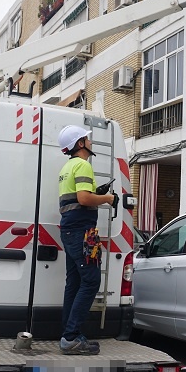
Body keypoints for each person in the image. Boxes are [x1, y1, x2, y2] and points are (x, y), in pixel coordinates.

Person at [57, 125, 118, 355]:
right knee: (91, 281)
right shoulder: (83, 165)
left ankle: (68, 333)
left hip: (70, 230)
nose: (90, 142)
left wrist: (96, 194)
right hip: (82, 231)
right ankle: (71, 337)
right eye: (87, 139)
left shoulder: (67, 167)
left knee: (74, 283)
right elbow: (83, 199)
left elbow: (78, 198)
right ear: (80, 144)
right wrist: (108, 198)